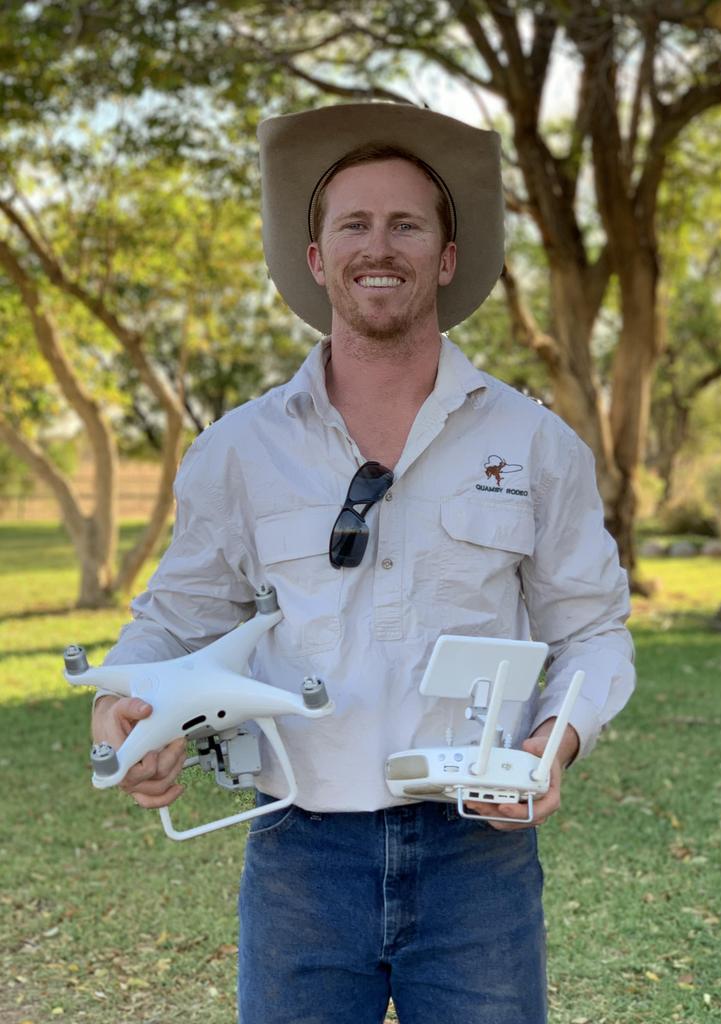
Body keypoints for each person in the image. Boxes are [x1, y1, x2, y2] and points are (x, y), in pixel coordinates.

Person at [91, 103, 635, 1024]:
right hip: (299, 853)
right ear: (316, 260)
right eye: (353, 224)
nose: (377, 247)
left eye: (405, 224)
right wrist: (123, 711)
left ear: (447, 258)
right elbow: (176, 620)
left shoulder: (536, 444)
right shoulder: (239, 450)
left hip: (479, 859)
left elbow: (592, 632)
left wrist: (555, 743)